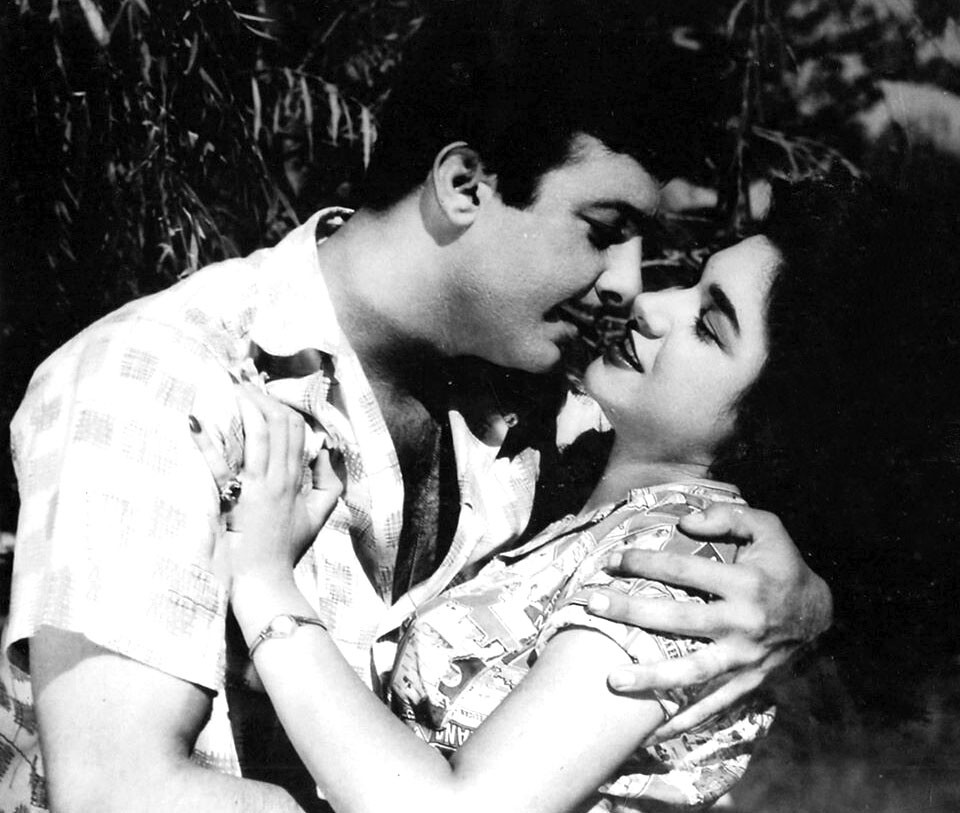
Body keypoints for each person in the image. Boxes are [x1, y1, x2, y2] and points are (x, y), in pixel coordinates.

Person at [0, 2, 829, 811]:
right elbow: (114, 793)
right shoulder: (162, 377)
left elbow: (724, 474)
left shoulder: (544, 414)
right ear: (465, 184)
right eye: (603, 229)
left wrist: (807, 599)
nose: (627, 285)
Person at [197, 177, 880, 813]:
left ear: (772, 425)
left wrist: (264, 581)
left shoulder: (684, 562)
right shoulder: (584, 472)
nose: (650, 305)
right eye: (691, 284)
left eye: (708, 326)